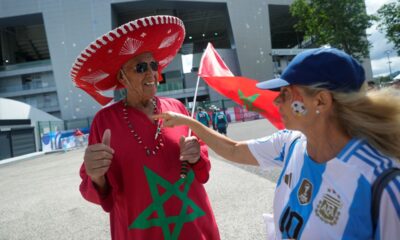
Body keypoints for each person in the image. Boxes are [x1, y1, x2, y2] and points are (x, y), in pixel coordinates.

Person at [155, 47, 400, 239]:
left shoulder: (382, 182)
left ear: (321, 102)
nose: (276, 102)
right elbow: (233, 149)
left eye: (285, 94)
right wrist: (189, 122)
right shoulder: (291, 143)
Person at [71, 15, 219, 240]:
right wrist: (95, 175)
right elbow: (100, 192)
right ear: (122, 77)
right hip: (140, 232)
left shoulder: (177, 107)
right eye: (140, 67)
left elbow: (203, 171)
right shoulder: (105, 121)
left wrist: (197, 156)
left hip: (194, 228)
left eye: (153, 65)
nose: (151, 73)